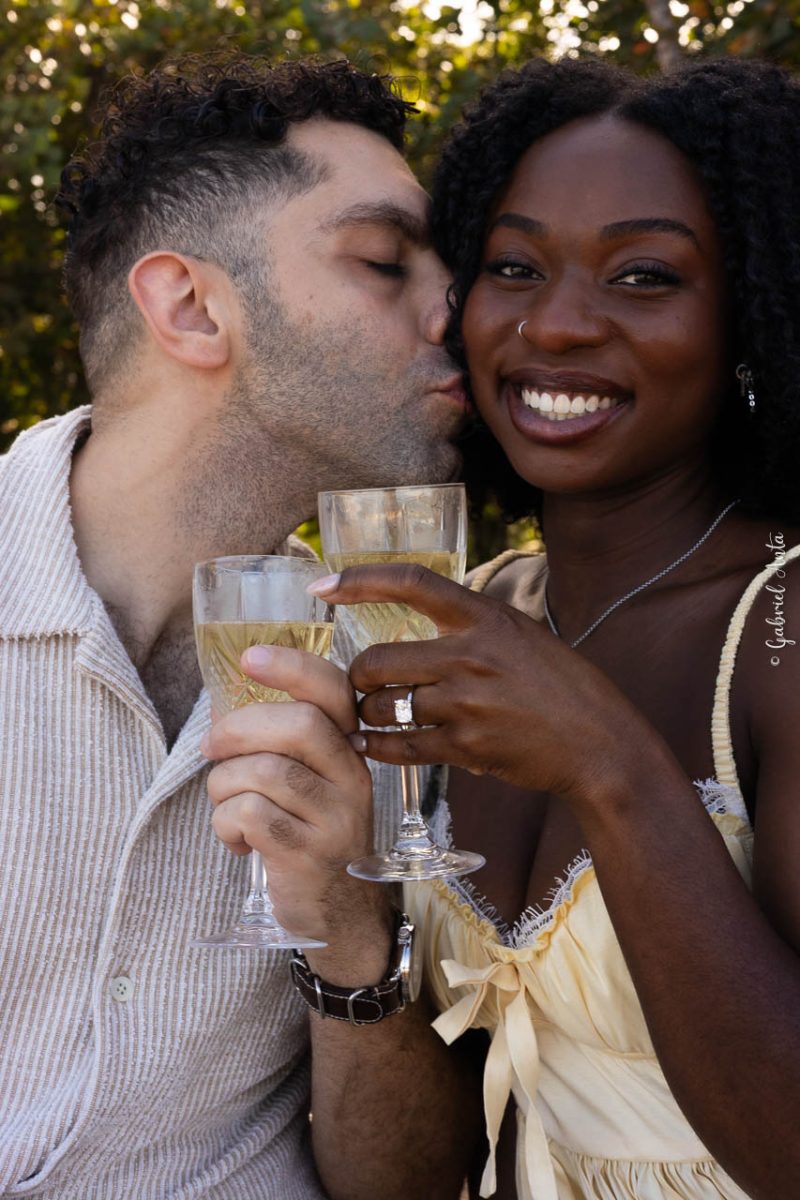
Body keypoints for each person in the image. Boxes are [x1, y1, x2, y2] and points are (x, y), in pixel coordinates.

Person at [249, 56, 800, 1199]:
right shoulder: (465, 615)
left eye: (643, 276)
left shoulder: (784, 630)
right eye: (511, 267)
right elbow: (404, 1176)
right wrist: (346, 931)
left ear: (749, 310)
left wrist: (608, 764)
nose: (553, 325)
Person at [0, 51, 478, 1199]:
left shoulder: (405, 680)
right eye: (382, 260)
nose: (458, 308)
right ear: (192, 306)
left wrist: (350, 931)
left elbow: (408, 1187)